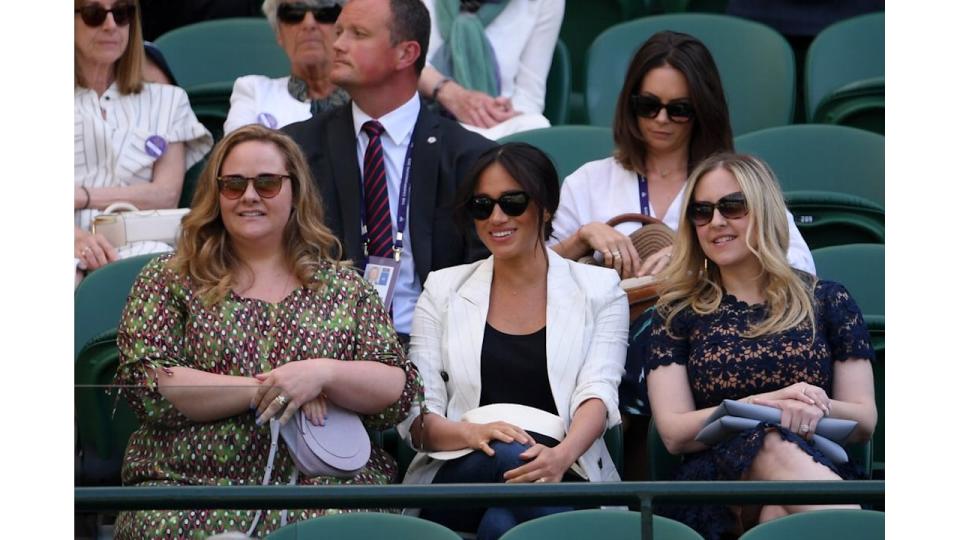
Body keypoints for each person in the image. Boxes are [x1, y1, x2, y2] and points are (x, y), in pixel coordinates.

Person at [112, 125, 423, 539]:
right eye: (234, 185)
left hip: (325, 493)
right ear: (215, 194)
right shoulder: (169, 279)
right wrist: (282, 387)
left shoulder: (345, 288)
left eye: (268, 183)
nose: (250, 196)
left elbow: (396, 390)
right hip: (192, 489)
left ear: (295, 192)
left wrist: (322, 374)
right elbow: (149, 383)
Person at [399, 143, 627, 540]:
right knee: (504, 455)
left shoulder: (599, 289)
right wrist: (473, 434)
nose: (497, 217)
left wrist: (560, 457)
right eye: (481, 205)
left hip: (565, 464)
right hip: (461, 469)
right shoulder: (443, 289)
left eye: (513, 202)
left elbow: (599, 392)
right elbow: (419, 415)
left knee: (501, 523)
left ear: (546, 207)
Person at [646, 153, 876, 540]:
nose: (716, 222)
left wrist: (803, 406)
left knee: (776, 514)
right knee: (766, 442)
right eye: (702, 212)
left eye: (732, 206)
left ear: (764, 209)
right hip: (716, 485)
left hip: (812, 465)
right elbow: (672, 431)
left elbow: (864, 420)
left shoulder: (827, 300)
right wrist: (762, 407)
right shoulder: (676, 312)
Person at [284, 0, 496, 343]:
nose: (336, 44)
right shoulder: (295, 149)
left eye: (358, 34)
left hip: (437, 347)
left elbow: (489, 276)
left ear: (405, 54)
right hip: (322, 348)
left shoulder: (470, 158)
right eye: (338, 32)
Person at [550, 31, 815, 279]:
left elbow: (801, 267)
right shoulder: (588, 181)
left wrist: (697, 258)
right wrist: (581, 238)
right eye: (648, 105)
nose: (662, 119)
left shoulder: (739, 181)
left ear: (702, 110)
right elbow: (532, 276)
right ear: (630, 105)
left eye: (679, 109)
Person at [75, 0, 212, 285]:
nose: (110, 25)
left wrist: (83, 196)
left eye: (122, 13)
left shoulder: (168, 100)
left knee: (157, 272)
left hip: (142, 240)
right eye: (93, 15)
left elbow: (165, 194)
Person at [417, 0, 564, 140]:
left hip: (491, 126)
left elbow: (529, 98)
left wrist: (503, 111)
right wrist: (450, 93)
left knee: (536, 124)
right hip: (420, 113)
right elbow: (400, 59)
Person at [224, 0, 352, 134]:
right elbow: (237, 150)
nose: (309, 24)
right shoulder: (254, 92)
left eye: (325, 13)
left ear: (343, 30)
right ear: (278, 33)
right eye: (293, 13)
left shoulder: (366, 98)